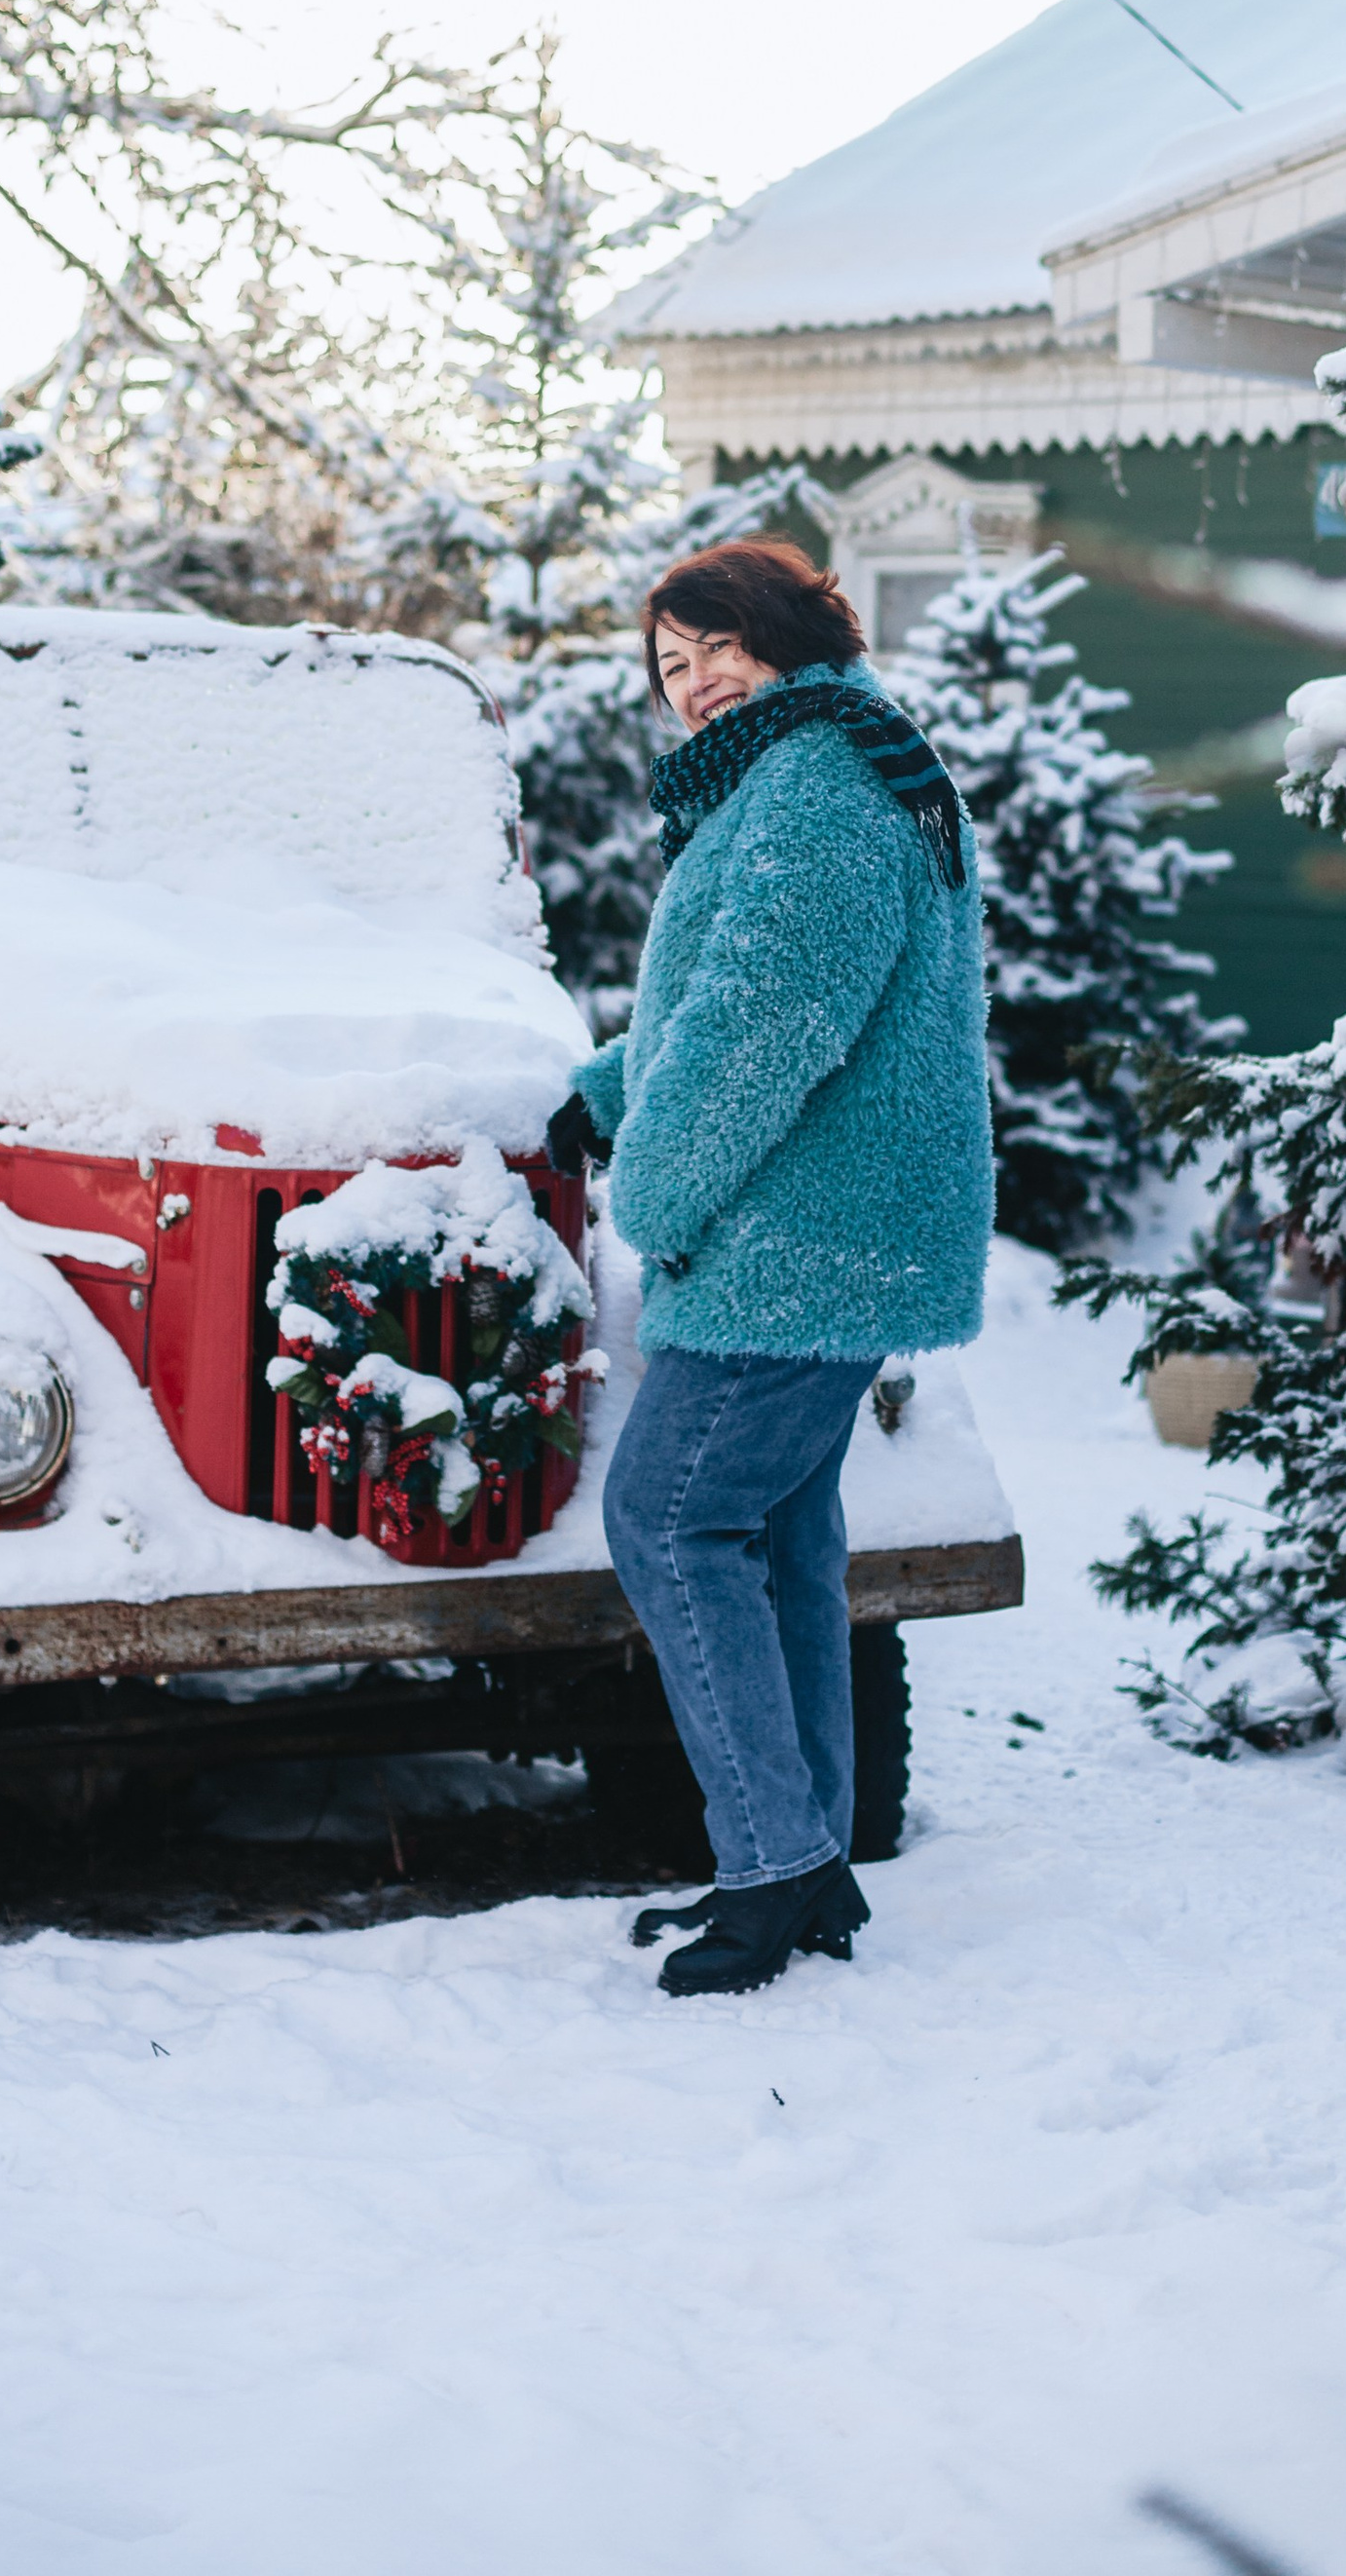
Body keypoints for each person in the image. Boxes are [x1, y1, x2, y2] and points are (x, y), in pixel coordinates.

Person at [546, 538, 993, 1996]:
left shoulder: (818, 785)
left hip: (802, 1242)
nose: (696, 682)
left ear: (796, 631)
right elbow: (717, 995)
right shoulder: (829, 763)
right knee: (784, 1540)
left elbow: (760, 1027)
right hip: (838, 1230)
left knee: (670, 1521)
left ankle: (772, 1868)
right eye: (671, 666)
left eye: (719, 644)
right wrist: (605, 1093)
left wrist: (652, 1194)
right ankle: (806, 1868)